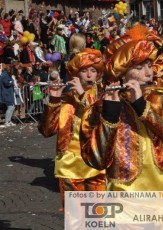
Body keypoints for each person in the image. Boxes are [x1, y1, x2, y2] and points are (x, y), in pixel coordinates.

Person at [80, 25, 163, 191]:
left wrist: (142, 107)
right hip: (124, 192)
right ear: (122, 73)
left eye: (149, 65)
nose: (149, 73)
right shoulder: (100, 107)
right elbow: (97, 160)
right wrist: (110, 116)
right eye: (139, 68)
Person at [38, 48, 106, 209]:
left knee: (100, 215)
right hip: (69, 166)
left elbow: (100, 120)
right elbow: (47, 130)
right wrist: (54, 100)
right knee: (76, 217)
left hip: (97, 164)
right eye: (84, 71)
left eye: (93, 71)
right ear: (76, 74)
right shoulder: (67, 100)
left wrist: (84, 96)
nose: (89, 75)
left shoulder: (103, 97)